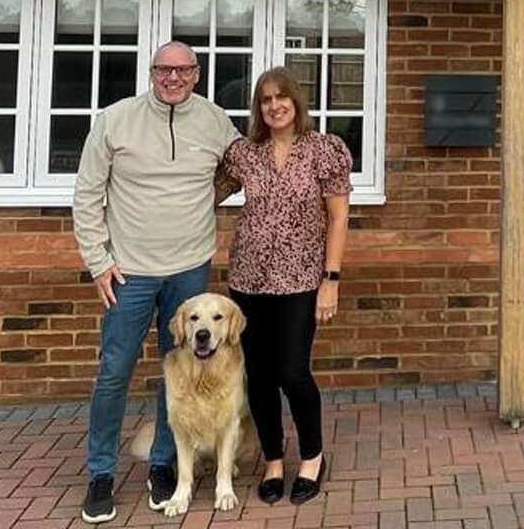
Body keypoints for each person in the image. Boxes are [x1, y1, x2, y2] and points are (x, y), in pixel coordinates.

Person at [73, 41, 240, 524]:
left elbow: (240, 166)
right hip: (128, 270)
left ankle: (164, 464)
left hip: (189, 267)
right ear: (152, 72)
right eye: (164, 69)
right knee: (115, 371)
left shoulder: (213, 120)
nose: (173, 78)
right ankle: (101, 473)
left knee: (182, 372)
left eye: (182, 70)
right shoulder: (115, 119)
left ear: (197, 73)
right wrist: (98, 262)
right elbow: (87, 192)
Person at [216, 65, 352, 505]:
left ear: (296, 102)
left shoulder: (323, 150)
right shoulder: (245, 154)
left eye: (282, 97)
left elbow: (338, 217)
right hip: (249, 280)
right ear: (258, 107)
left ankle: (311, 456)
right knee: (259, 375)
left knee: (293, 371)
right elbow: (203, 192)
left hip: (301, 279)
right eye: (265, 99)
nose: (274, 106)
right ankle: (274, 459)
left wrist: (330, 280)